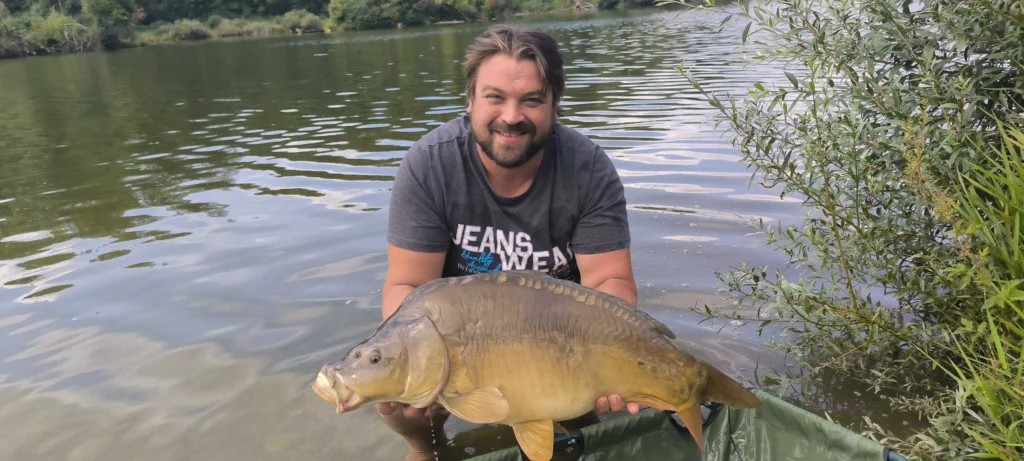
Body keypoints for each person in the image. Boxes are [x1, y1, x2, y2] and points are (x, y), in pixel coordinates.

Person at [377, 24, 640, 460]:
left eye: (532, 100)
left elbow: (611, 282)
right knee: (399, 401)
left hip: (558, 340)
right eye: (495, 97)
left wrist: (609, 364)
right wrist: (416, 359)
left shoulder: (588, 169)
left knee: (583, 423)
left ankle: (570, 423)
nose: (511, 116)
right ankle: (427, 449)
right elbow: (405, 286)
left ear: (554, 105)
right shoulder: (428, 166)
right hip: (464, 337)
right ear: (471, 100)